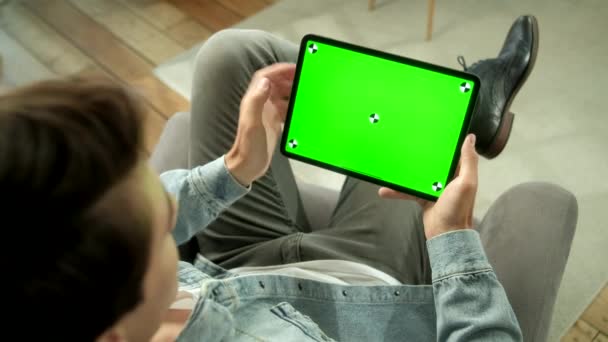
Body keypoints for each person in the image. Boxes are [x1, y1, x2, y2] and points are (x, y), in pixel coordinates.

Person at [0, 15, 577, 341]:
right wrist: (450, 237)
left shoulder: (63, 288)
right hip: (362, 288)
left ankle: (456, 109)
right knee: (438, 157)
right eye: (156, 225)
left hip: (236, 262)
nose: (168, 194)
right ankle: (469, 112)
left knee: (234, 53)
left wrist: (235, 170)